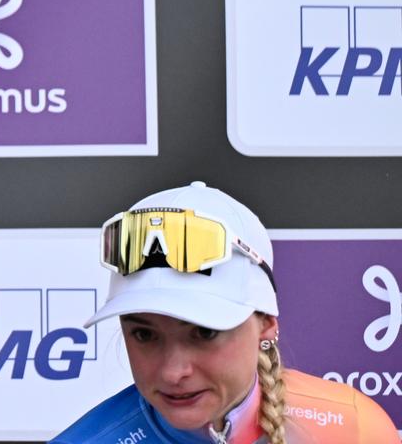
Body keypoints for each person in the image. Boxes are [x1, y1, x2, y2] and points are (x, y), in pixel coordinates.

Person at [52, 181, 397, 444]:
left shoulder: (354, 428)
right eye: (144, 334)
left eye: (205, 332)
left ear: (265, 323)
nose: (173, 372)